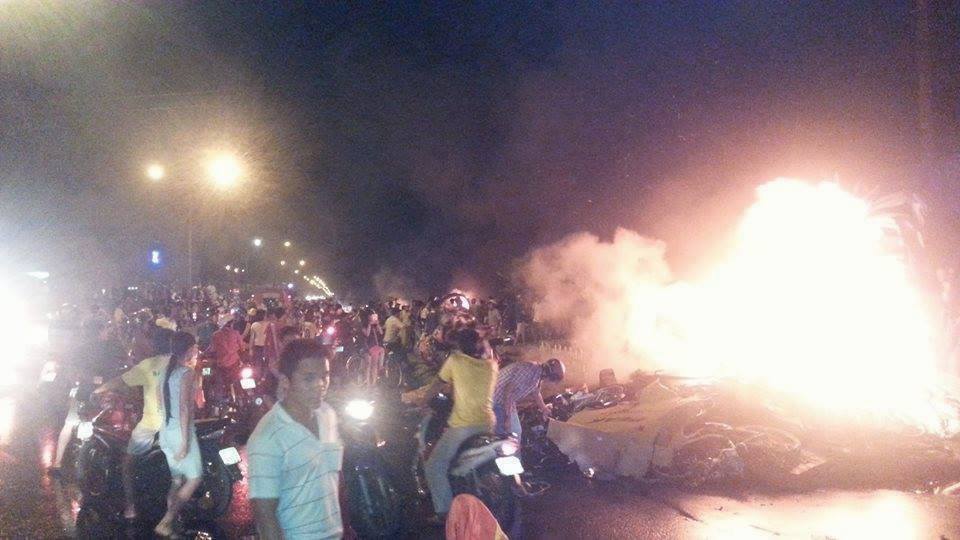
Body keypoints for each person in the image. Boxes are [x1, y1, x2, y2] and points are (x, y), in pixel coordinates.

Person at [248, 340, 349, 540]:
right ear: (285, 381)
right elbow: (265, 514)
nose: (320, 385)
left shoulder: (327, 415)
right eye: (309, 378)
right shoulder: (267, 437)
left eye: (325, 376)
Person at [417, 329, 498, 522]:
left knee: (434, 465)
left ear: (460, 345)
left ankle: (444, 513)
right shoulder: (491, 365)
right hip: (488, 424)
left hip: (464, 426)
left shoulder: (456, 361)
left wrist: (423, 402)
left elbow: (437, 384)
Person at [94, 328, 175, 521]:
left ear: (155, 344)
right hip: (177, 422)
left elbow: (120, 381)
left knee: (128, 463)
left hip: (153, 423)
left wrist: (99, 390)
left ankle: (131, 508)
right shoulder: (180, 364)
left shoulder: (149, 365)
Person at [155, 332, 203, 537]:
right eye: (195, 347)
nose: (197, 350)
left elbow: (159, 402)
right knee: (194, 478)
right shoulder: (186, 373)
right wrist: (185, 442)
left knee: (176, 480)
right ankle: (166, 521)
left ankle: (172, 523)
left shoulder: (166, 372)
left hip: (166, 431)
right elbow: (185, 408)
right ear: (190, 350)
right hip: (180, 433)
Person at [492, 358, 565, 439]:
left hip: (508, 400)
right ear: (550, 375)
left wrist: (544, 409)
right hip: (497, 399)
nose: (550, 382)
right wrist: (507, 417)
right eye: (552, 380)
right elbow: (508, 390)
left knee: (516, 430)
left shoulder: (537, 374)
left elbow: (536, 392)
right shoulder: (529, 370)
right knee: (507, 432)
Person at [206, 319, 244, 405]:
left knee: (215, 379)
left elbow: (212, 349)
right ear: (231, 324)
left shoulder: (216, 335)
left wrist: (204, 353)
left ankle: (219, 400)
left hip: (221, 364)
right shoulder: (235, 333)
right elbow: (242, 347)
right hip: (235, 363)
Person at [360, 309, 385, 387]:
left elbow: (381, 332)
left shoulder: (375, 325)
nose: (373, 317)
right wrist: (369, 325)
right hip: (367, 347)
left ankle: (374, 382)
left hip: (375, 346)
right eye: (371, 315)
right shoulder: (364, 325)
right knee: (368, 366)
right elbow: (367, 334)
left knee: (374, 365)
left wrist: (377, 324)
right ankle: (367, 382)